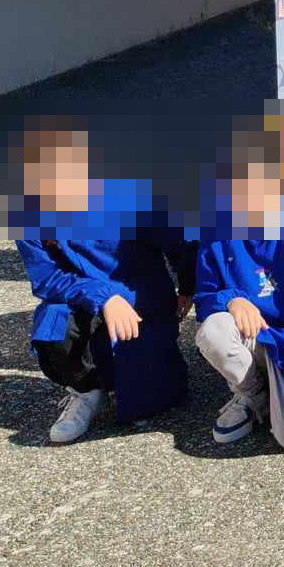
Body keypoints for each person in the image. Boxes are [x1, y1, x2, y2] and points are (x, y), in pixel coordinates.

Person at [14, 129, 192, 445]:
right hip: (81, 300)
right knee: (53, 327)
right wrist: (104, 297)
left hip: (140, 301)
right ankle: (85, 391)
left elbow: (180, 243)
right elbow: (46, 279)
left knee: (148, 400)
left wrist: (188, 287)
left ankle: (146, 371)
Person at [193, 148, 284, 451]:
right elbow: (204, 296)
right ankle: (251, 394)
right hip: (249, 335)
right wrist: (232, 299)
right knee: (214, 331)